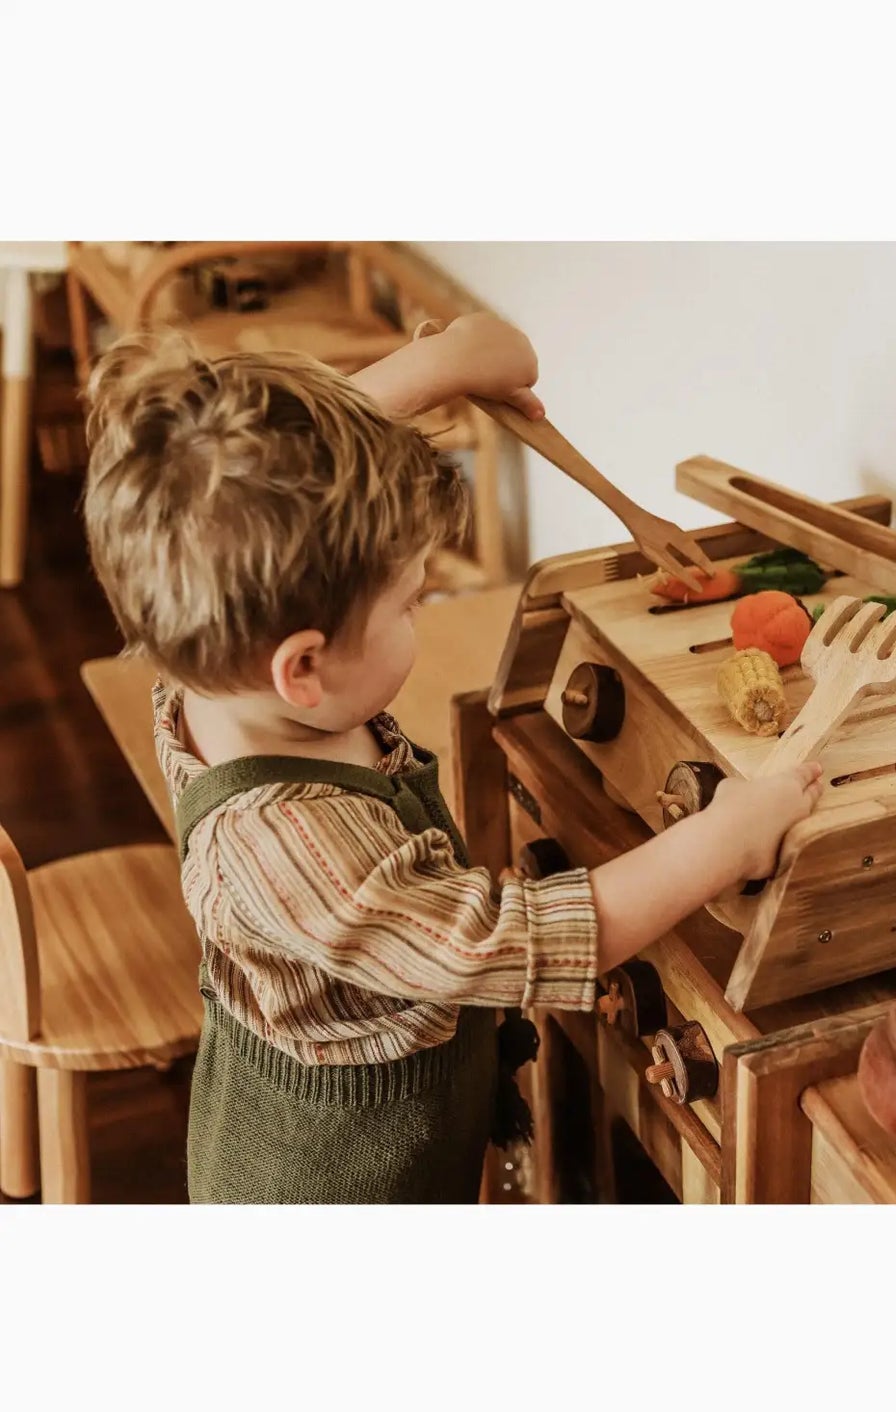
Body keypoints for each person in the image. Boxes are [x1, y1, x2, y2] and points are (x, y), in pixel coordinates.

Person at [81, 312, 822, 1203]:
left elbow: (261, 490)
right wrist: (724, 841)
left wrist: (440, 365)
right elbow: (505, 941)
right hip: (340, 1185)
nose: (419, 613)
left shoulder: (215, 644)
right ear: (304, 667)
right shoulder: (286, 849)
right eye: (410, 603)